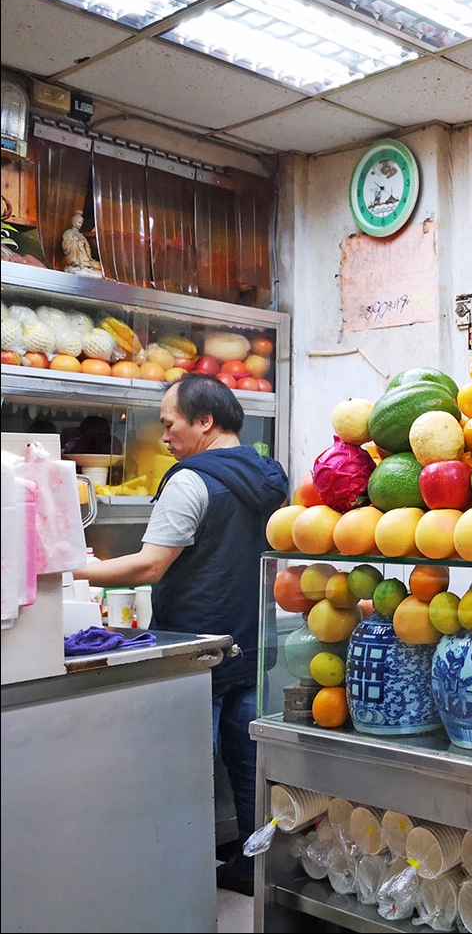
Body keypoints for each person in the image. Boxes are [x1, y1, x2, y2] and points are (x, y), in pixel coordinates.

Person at [76, 374, 288, 896]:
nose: (164, 437)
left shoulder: (190, 478)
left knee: (187, 761)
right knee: (247, 759)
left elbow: (150, 566)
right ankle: (251, 864)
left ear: (205, 421)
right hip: (253, 637)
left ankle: (178, 880)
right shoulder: (271, 474)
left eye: (169, 424)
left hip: (198, 646)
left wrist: (68, 569)